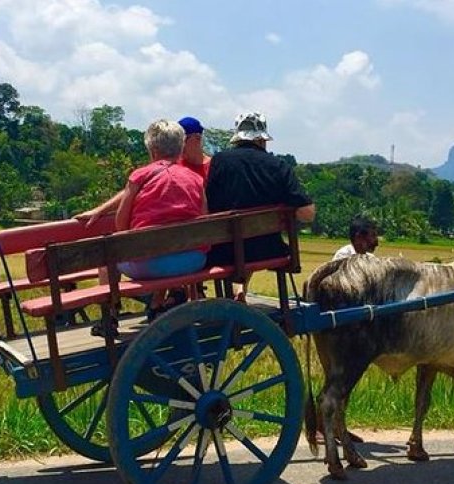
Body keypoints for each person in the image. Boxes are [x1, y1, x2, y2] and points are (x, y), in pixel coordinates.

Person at [79, 119, 206, 328]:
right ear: (181, 146)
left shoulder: (139, 176)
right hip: (192, 261)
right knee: (162, 246)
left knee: (108, 256)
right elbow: (204, 220)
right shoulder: (195, 179)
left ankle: (109, 314)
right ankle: (157, 305)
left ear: (153, 150)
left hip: (150, 265)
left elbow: (121, 224)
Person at [204, 111, 315, 299]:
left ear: (237, 139)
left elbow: (208, 204)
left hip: (223, 252)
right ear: (262, 140)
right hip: (266, 251)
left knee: (241, 242)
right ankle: (240, 290)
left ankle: (238, 290)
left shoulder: (219, 161)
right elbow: (307, 214)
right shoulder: (277, 165)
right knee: (254, 242)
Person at [176, 116, 211, 181]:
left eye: (183, 140)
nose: (179, 145)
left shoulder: (214, 167)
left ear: (198, 138)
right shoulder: (174, 167)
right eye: (176, 140)